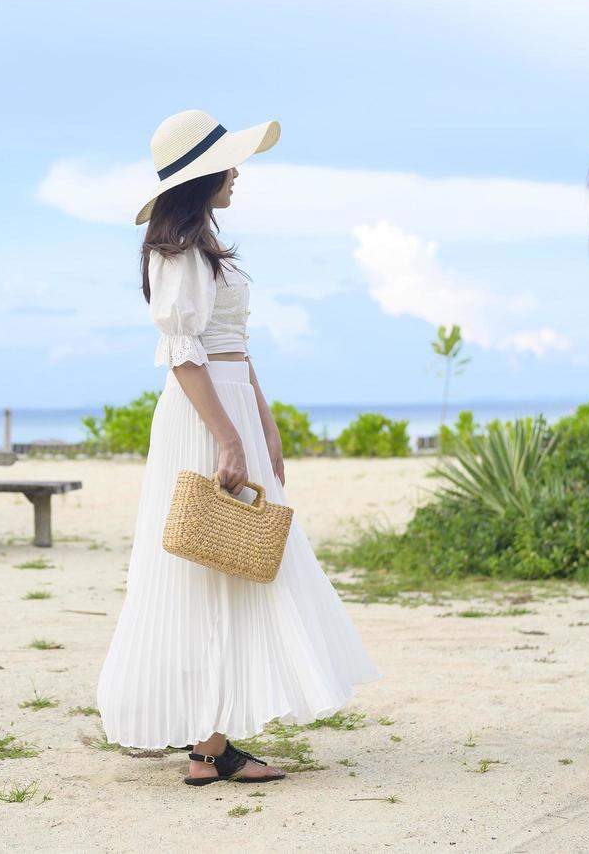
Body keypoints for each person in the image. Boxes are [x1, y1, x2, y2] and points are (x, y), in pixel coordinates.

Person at [95, 109, 382, 786]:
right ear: (201, 177)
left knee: (235, 567)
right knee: (208, 567)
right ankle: (208, 745)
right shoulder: (176, 252)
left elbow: (231, 350)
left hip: (229, 409)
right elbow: (182, 354)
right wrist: (227, 436)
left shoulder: (204, 245)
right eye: (227, 164)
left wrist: (264, 424)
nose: (237, 173)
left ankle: (212, 742)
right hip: (202, 418)